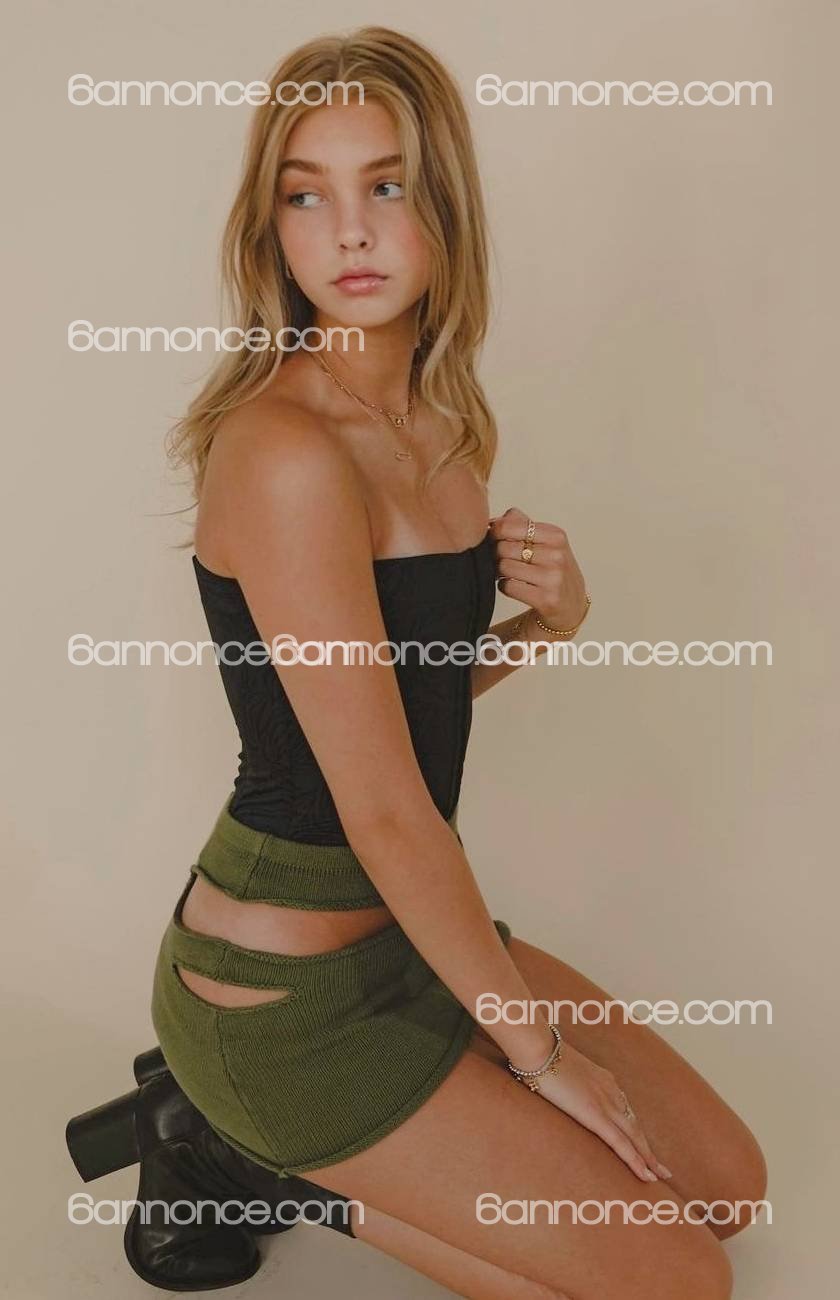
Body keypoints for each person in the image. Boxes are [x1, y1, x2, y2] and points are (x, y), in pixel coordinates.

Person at [117, 26, 763, 1299]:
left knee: (729, 1189)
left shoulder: (440, 424)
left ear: (445, 207)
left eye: (388, 185)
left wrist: (548, 630)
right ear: (270, 228)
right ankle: (236, 1149)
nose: (350, 232)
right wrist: (541, 1059)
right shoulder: (284, 453)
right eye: (307, 195)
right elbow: (378, 802)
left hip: (414, 940)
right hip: (283, 998)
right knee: (683, 1284)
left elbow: (389, 702)